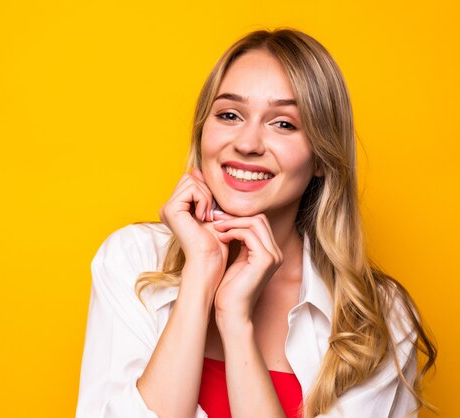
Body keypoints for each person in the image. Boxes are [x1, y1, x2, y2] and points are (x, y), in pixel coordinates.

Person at [76, 28, 437, 418]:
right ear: (202, 134)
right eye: (229, 115)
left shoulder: (374, 318)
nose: (247, 143)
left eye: (283, 123)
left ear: (321, 157)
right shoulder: (132, 259)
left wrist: (236, 321)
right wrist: (199, 277)